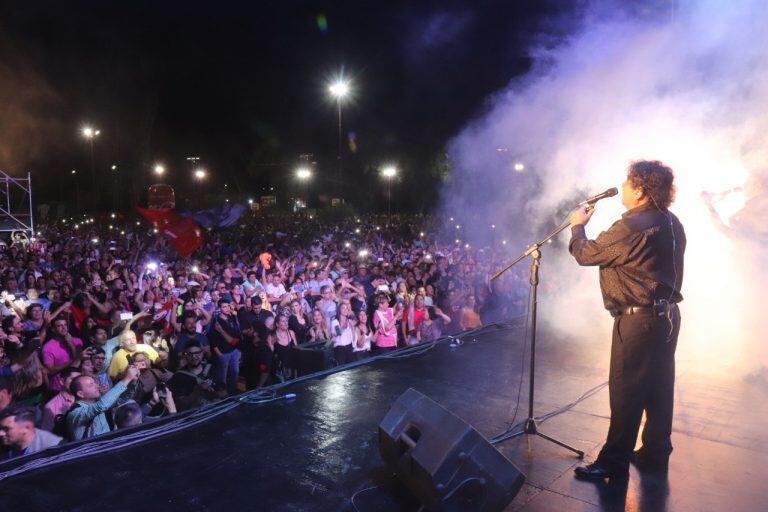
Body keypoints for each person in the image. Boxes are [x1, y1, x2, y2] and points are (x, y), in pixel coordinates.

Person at [569, 160, 686, 481]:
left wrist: (577, 226)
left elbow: (586, 254)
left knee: (626, 388)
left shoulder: (631, 227)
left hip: (638, 320)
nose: (621, 186)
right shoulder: (672, 222)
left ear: (640, 190)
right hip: (667, 317)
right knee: (659, 385)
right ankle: (654, 450)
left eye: (626, 182)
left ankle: (613, 462)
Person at [67, 364, 140, 441]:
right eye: (91, 384)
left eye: (95, 382)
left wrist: (133, 381)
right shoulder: (76, 412)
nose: (97, 386)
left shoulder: (96, 402)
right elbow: (100, 406)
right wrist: (127, 379)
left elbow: (122, 399)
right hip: (92, 452)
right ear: (80, 394)